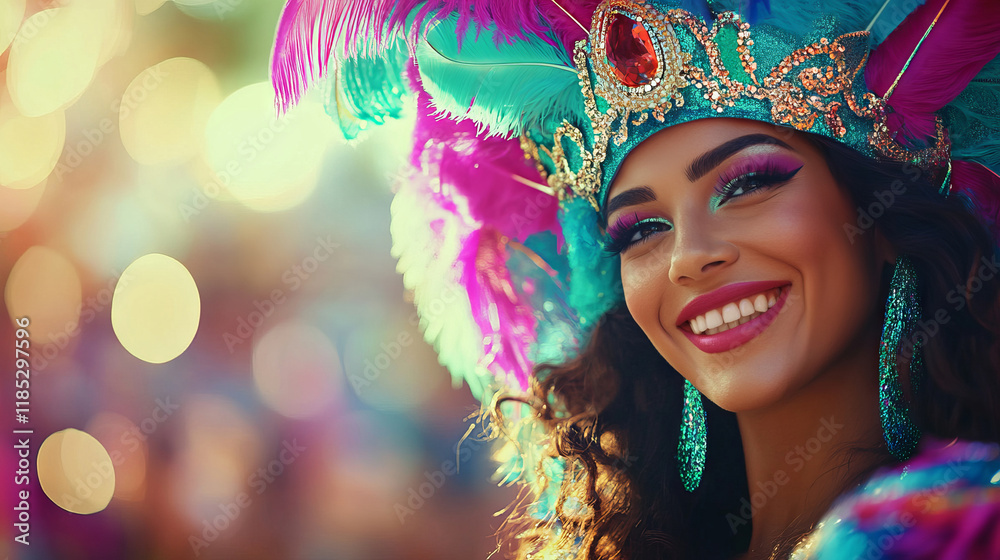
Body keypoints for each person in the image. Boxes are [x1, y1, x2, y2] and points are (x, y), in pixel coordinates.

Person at [269, 0, 1000, 558]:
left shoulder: (970, 527)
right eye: (642, 231)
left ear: (880, 216)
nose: (687, 256)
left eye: (747, 186)